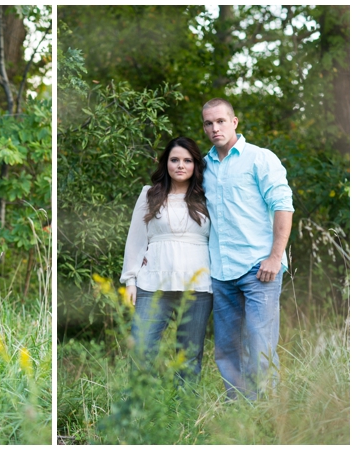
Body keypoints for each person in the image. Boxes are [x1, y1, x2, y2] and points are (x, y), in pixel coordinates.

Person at [201, 98, 294, 400]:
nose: (215, 128)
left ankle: (270, 416)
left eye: (220, 121)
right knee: (227, 350)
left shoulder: (259, 158)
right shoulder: (203, 166)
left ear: (234, 122)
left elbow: (282, 206)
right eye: (208, 123)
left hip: (260, 269)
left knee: (260, 346)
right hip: (221, 272)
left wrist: (275, 257)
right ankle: (238, 415)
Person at [120, 137, 213, 384]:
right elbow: (136, 240)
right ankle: (137, 416)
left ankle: (184, 419)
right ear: (166, 163)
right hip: (153, 283)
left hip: (198, 285)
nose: (180, 165)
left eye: (187, 160)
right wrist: (130, 279)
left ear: (195, 165)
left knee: (189, 359)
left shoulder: (208, 197)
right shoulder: (149, 195)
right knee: (141, 352)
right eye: (174, 160)